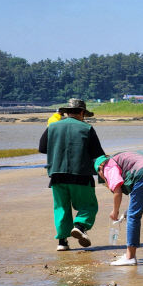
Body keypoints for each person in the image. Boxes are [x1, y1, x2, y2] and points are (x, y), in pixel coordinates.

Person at [38, 98, 105, 251]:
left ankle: (62, 242)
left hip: (56, 174)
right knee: (88, 205)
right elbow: (98, 154)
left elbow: (42, 147)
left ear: (66, 112)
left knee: (61, 207)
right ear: (82, 113)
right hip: (80, 175)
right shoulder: (87, 128)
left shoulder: (52, 127)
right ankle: (80, 226)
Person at [95, 152, 143, 266]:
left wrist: (115, 211)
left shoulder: (107, 166)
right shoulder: (122, 159)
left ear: (99, 168)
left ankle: (130, 257)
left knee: (133, 216)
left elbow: (117, 191)